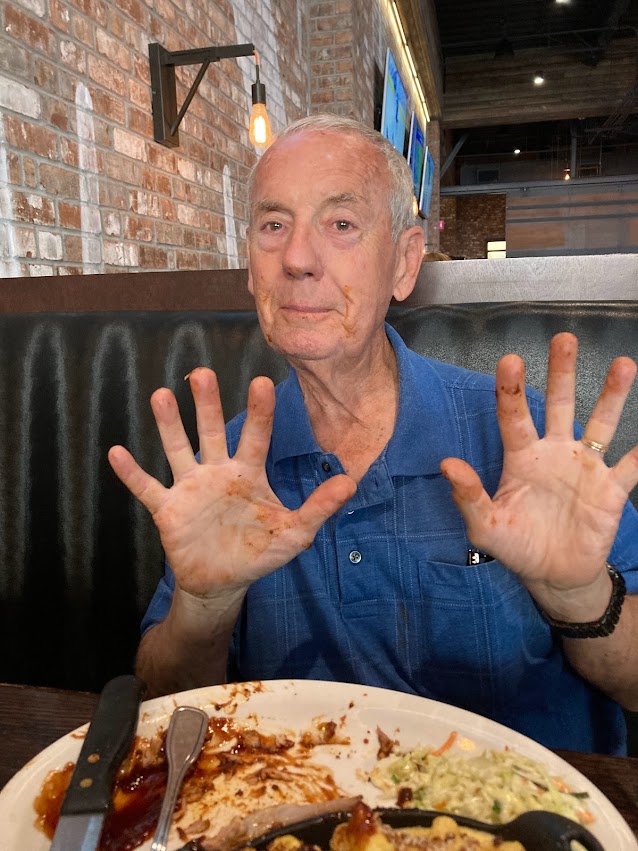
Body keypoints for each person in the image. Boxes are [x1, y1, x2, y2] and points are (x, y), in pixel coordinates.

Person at [108, 114, 638, 754]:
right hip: (296, 793)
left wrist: (581, 598)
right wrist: (203, 606)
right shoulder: (229, 467)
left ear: (405, 262)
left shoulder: (519, 439)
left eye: (340, 224)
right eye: (273, 225)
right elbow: (166, 707)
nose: (297, 259)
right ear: (250, 266)